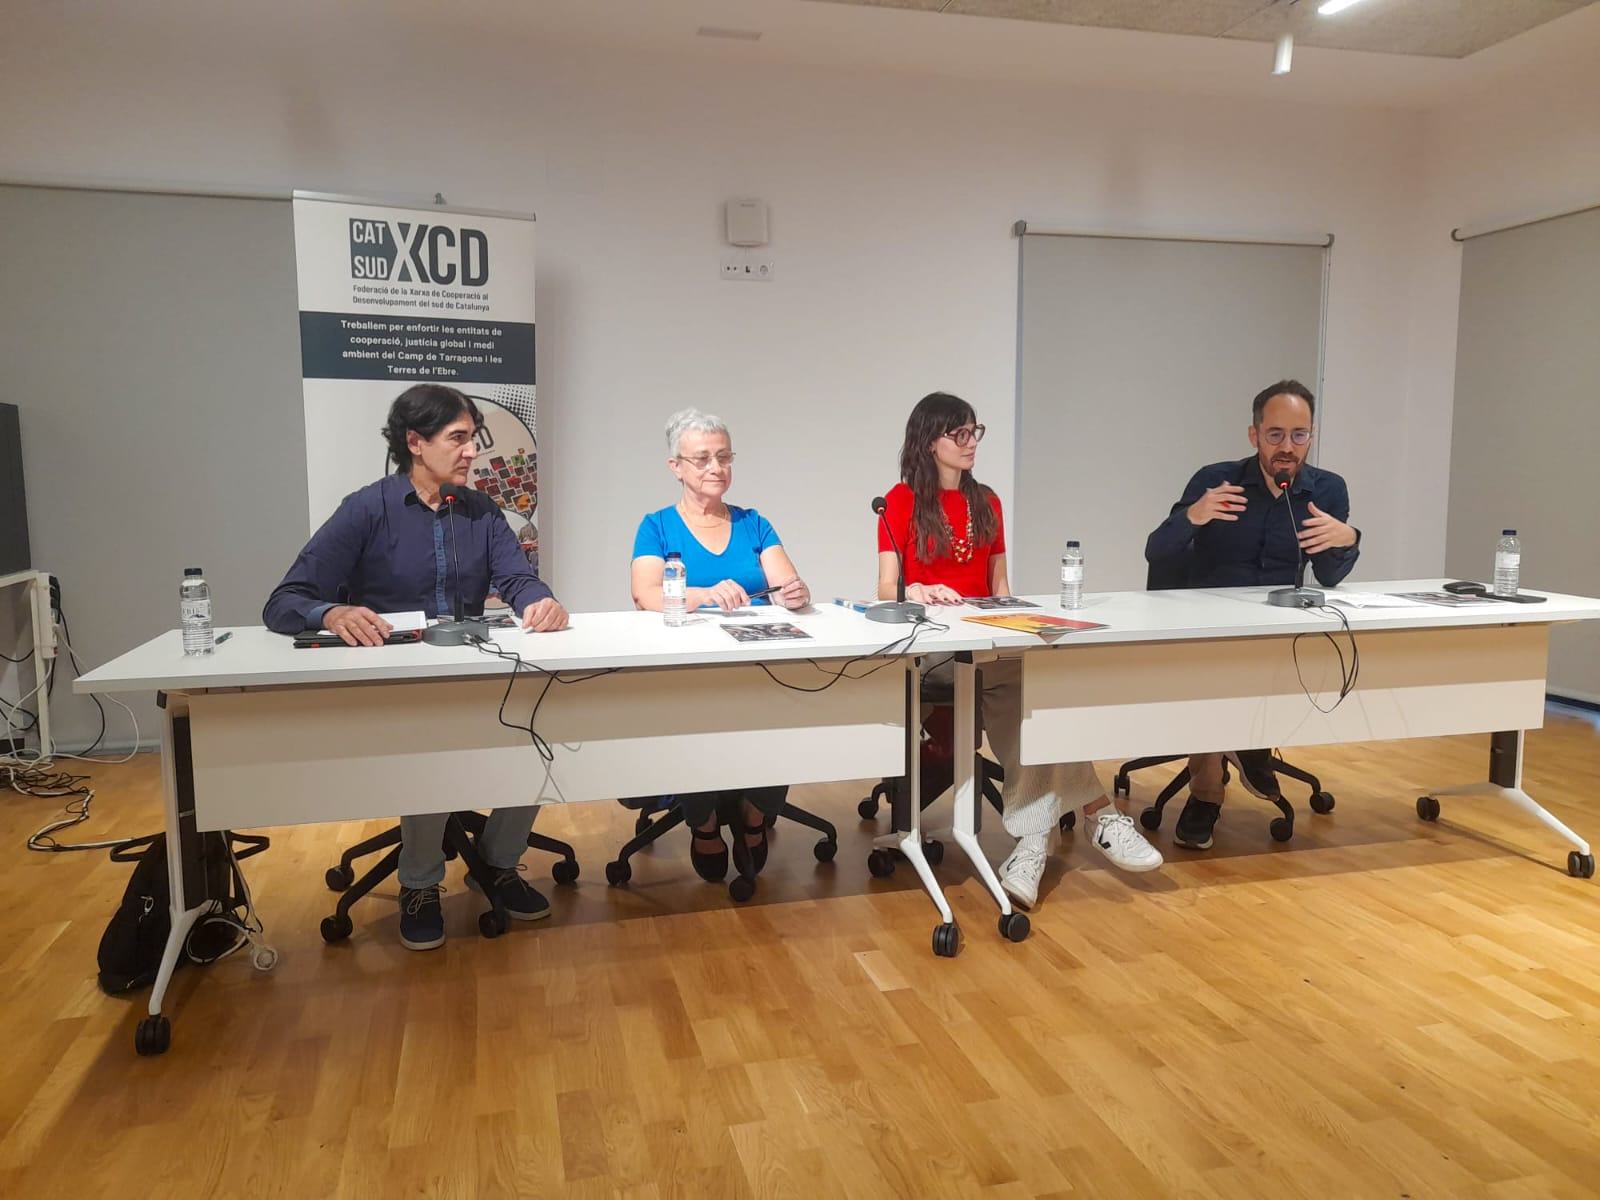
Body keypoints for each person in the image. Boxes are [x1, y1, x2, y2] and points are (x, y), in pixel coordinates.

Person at [263, 384, 569, 950]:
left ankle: (498, 864)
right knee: (434, 739)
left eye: (472, 438)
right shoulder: (366, 509)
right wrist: (330, 612)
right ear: (415, 443)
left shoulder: (481, 511)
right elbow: (284, 602)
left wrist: (539, 601)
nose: (471, 451)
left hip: (472, 675)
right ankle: (420, 883)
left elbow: (517, 579)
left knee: (537, 728)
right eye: (458, 438)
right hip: (396, 689)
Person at [878, 392, 1162, 910]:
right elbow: (885, 589)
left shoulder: (986, 502)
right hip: (936, 653)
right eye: (959, 434)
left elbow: (1001, 588)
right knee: (1021, 683)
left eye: (975, 432)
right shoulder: (899, 502)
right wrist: (915, 591)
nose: (971, 443)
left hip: (988, 644)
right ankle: (1099, 812)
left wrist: (1017, 623)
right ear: (929, 441)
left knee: (1035, 680)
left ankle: (1032, 844)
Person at [1144, 378, 1360, 851]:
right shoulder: (1216, 480)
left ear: (1311, 436)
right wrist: (1194, 516)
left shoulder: (1326, 489)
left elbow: (1328, 575)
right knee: (1212, 673)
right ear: (1254, 434)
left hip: (1279, 628)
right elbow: (1157, 551)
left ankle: (1247, 744)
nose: (1287, 447)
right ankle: (1208, 790)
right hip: (1208, 626)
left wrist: (1348, 539)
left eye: (1299, 435)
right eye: (1275, 434)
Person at [630, 407, 811, 881]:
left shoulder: (754, 522)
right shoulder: (657, 525)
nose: (716, 467)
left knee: (790, 699)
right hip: (690, 665)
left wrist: (794, 594)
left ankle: (756, 813)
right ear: (676, 467)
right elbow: (645, 593)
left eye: (724, 457)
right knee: (693, 711)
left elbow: (785, 584)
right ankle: (703, 821)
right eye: (703, 458)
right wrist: (703, 594)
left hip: (757, 661)